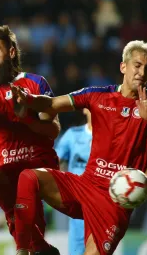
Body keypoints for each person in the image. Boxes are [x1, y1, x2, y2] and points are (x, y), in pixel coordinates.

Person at [10, 40, 147, 255]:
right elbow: (51, 104)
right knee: (29, 178)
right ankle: (29, 248)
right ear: (124, 67)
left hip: (115, 202)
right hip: (86, 185)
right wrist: (27, 98)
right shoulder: (98, 95)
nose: (142, 72)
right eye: (137, 65)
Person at [0, 25, 60, 254]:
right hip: (8, 171)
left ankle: (32, 246)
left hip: (39, 166)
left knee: (25, 182)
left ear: (11, 52)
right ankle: (39, 246)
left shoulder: (35, 83)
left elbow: (54, 130)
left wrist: (26, 119)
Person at [55, 109, 92, 255]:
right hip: (77, 200)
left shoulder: (111, 137)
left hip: (100, 201)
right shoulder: (72, 134)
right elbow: (55, 160)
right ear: (85, 109)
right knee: (77, 246)